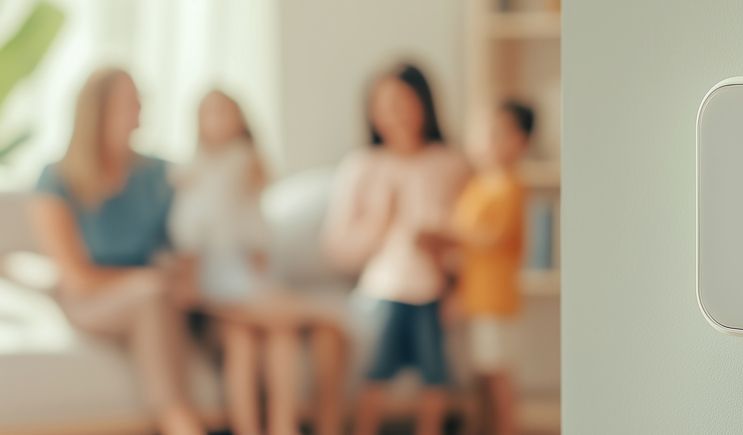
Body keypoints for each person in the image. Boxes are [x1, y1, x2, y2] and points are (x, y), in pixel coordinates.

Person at [28, 68, 204, 435]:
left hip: (161, 294)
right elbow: (76, 279)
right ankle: (179, 420)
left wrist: (184, 274)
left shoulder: (159, 175)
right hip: (93, 298)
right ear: (99, 111)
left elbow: (188, 239)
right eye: (130, 104)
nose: (140, 114)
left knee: (176, 301)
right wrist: (149, 280)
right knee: (150, 295)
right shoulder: (57, 179)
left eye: (141, 103)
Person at [170, 90, 347, 435]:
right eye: (212, 113)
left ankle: (284, 426)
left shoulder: (246, 163)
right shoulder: (192, 175)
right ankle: (322, 315)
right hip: (217, 282)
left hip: (249, 274)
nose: (220, 121)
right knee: (250, 332)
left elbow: (255, 224)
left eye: (227, 112)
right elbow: (189, 233)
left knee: (271, 337)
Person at [324, 63, 469, 435]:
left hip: (433, 289)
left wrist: (449, 260)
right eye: (385, 104)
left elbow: (470, 238)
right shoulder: (362, 166)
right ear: (371, 112)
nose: (396, 114)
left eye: (405, 102)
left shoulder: (451, 163)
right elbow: (337, 250)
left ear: (425, 104)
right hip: (382, 290)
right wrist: (380, 224)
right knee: (375, 371)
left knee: (435, 375)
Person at [423, 101, 533, 435]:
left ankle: (506, 427)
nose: (486, 141)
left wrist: (449, 236)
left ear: (520, 142)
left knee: (498, 372)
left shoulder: (509, 186)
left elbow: (492, 236)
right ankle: (484, 425)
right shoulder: (477, 185)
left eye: (498, 134)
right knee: (482, 372)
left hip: (496, 298)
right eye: (482, 133)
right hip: (473, 295)